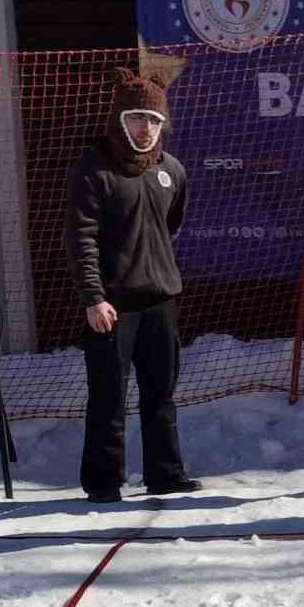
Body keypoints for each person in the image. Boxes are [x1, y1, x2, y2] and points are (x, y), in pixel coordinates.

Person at [64, 68, 201, 502]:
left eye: (154, 120)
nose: (146, 127)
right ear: (120, 119)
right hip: (112, 306)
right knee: (109, 397)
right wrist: (93, 297)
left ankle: (165, 474)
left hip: (162, 300)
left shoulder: (172, 170)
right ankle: (103, 483)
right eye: (138, 118)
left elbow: (171, 224)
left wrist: (152, 266)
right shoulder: (93, 168)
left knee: (161, 393)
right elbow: (80, 237)